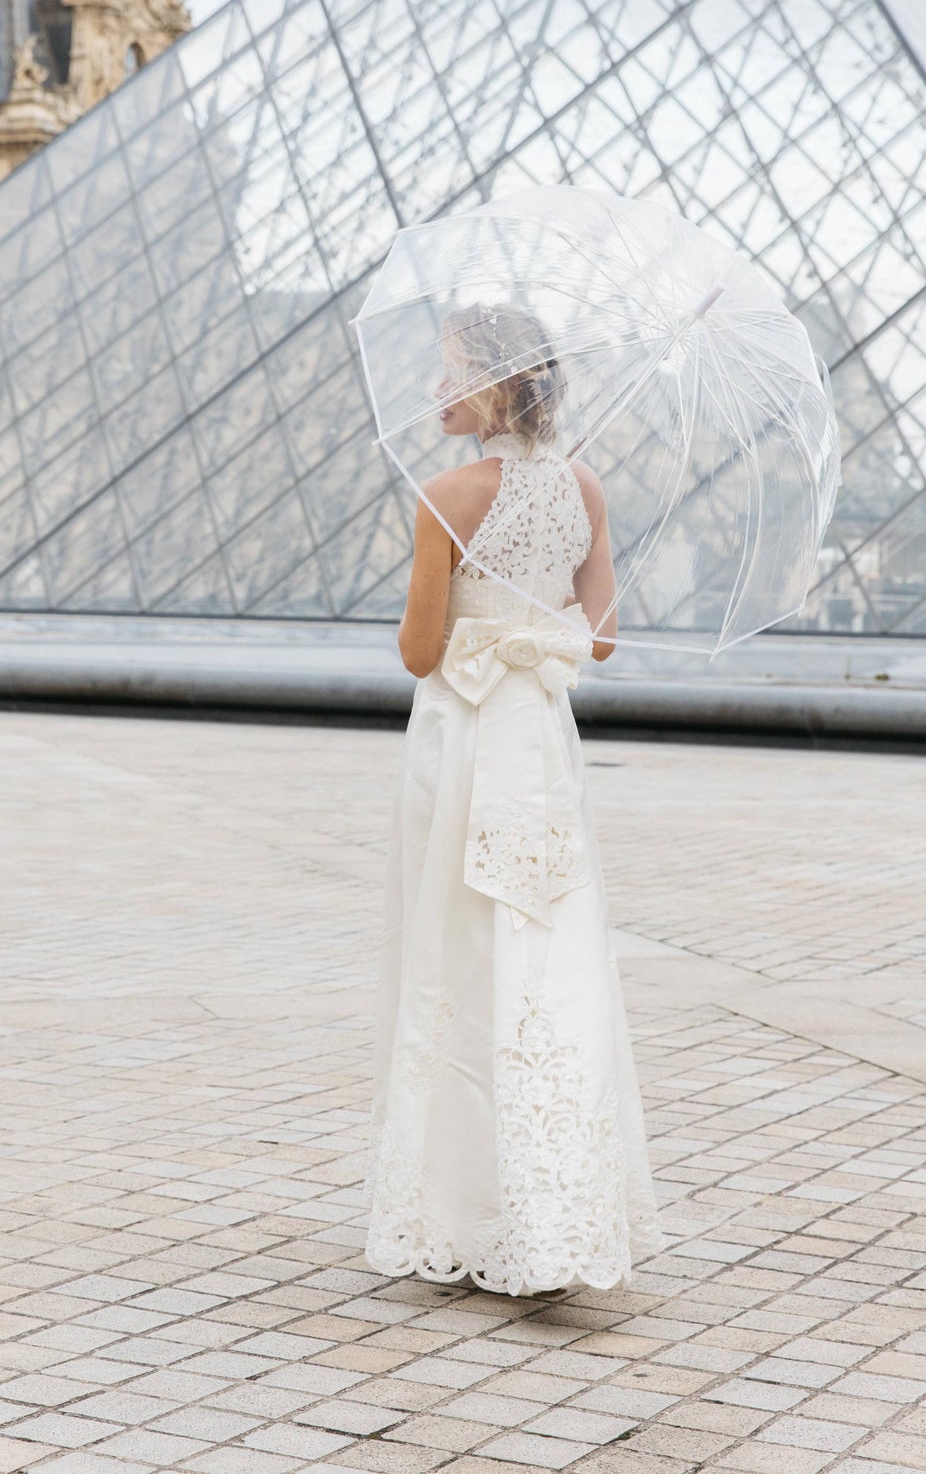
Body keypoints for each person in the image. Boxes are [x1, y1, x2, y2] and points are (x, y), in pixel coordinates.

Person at [364, 301, 662, 1297]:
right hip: (539, 739)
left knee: (452, 953)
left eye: (448, 371)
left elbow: (416, 654)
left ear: (494, 383)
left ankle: (463, 1210)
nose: (432, 388)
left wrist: (470, 626)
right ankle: (561, 1207)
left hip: (461, 744)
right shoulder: (584, 486)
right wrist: (533, 622)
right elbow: (604, 633)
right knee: (553, 955)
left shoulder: (443, 492)